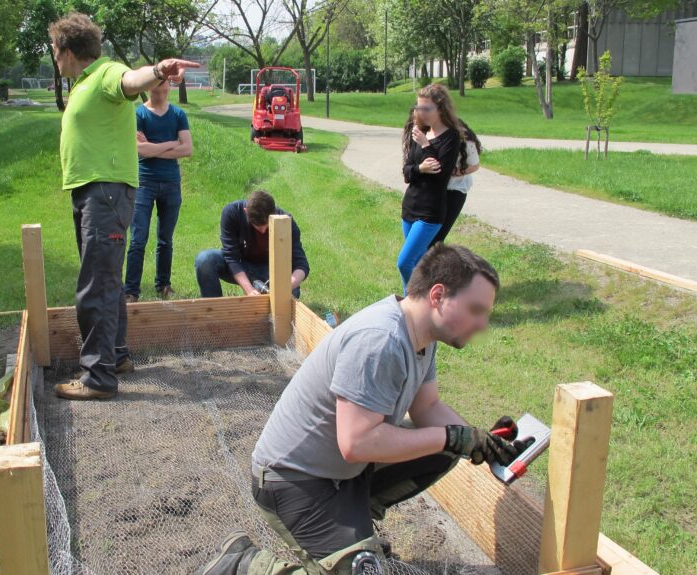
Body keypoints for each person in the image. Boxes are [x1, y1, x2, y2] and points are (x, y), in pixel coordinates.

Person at [198, 244, 532, 575]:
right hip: (293, 480)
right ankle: (247, 564)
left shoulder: (422, 335)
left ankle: (358, 525)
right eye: (476, 310)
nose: (483, 324)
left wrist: (481, 442)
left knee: (444, 448)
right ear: (438, 296)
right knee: (443, 443)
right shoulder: (381, 340)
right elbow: (356, 443)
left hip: (341, 473)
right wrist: (452, 437)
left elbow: (428, 408)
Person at [48, 12, 199, 401]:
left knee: (94, 287)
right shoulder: (84, 82)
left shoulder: (105, 73)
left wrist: (159, 70)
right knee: (107, 281)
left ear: (69, 50)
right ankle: (114, 357)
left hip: (106, 194)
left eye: (54, 49)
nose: (53, 57)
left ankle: (97, 378)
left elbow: (131, 80)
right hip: (93, 192)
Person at [124, 79, 193, 303]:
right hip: (144, 182)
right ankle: (131, 291)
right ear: (148, 89)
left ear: (169, 88)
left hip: (171, 183)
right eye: (156, 89)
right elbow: (139, 150)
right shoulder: (138, 115)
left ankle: (163, 285)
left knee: (165, 239)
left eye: (164, 89)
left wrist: (153, 148)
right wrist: (171, 144)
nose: (161, 94)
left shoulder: (178, 114)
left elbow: (187, 148)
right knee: (138, 238)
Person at [397, 84, 463, 293]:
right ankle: (425, 303)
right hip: (410, 207)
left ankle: (414, 301)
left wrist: (426, 146)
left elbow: (440, 174)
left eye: (426, 109)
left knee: (405, 262)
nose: (421, 113)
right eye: (418, 108)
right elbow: (407, 171)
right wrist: (420, 168)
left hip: (430, 212)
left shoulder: (450, 137)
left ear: (440, 109)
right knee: (420, 263)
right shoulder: (420, 133)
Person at [195, 190, 309, 298]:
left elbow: (301, 263)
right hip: (240, 265)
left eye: (267, 225)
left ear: (274, 212)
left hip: (269, 270)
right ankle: (213, 313)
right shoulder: (231, 213)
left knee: (291, 293)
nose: (264, 231)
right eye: (258, 226)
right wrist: (249, 290)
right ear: (246, 212)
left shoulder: (285, 222)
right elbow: (231, 257)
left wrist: (285, 287)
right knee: (204, 260)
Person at [429, 120, 481, 247]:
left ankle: (432, 263)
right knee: (428, 234)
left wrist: (456, 171)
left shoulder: (466, 142)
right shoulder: (434, 137)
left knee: (438, 235)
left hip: (455, 191)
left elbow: (474, 165)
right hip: (434, 189)